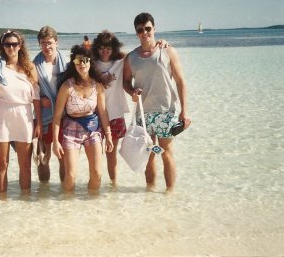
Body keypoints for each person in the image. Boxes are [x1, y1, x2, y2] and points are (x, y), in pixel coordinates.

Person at [123, 12, 191, 193]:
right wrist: (132, 92)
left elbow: (180, 81)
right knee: (150, 154)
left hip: (165, 112)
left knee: (166, 154)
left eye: (148, 28)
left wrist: (185, 111)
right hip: (143, 115)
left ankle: (170, 194)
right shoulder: (131, 58)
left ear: (154, 29)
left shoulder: (167, 50)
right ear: (136, 33)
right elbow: (125, 82)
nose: (144, 33)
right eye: (140, 30)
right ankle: (150, 194)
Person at [0, 30, 42, 197]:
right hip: (2, 115)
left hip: (24, 117)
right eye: (7, 44)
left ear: (20, 46)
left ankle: (26, 201)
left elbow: (36, 97)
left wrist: (38, 121)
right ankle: (1, 201)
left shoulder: (29, 67)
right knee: (2, 164)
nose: (11, 47)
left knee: (25, 165)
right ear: (2, 47)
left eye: (14, 44)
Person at [52, 45, 113, 193]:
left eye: (85, 60)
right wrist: (55, 142)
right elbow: (57, 117)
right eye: (78, 61)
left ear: (90, 62)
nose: (82, 64)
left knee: (97, 174)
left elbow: (103, 113)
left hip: (93, 129)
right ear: (74, 63)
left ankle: (91, 207)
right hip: (71, 131)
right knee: (71, 176)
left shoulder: (97, 86)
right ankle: (67, 207)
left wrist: (109, 136)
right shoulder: (67, 86)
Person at [91, 30, 129, 185]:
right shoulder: (91, 64)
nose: (104, 49)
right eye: (101, 46)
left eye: (108, 46)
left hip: (115, 114)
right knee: (95, 155)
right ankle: (96, 183)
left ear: (114, 47)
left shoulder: (121, 63)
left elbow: (138, 53)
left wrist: (161, 43)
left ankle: (113, 185)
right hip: (95, 116)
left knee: (111, 155)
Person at [33, 26, 68, 183]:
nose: (47, 47)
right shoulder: (34, 65)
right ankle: (43, 194)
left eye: (49, 43)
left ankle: (64, 195)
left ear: (57, 42)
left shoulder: (66, 62)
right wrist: (41, 97)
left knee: (63, 157)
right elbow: (29, 90)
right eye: (43, 43)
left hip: (64, 115)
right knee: (43, 156)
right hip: (45, 114)